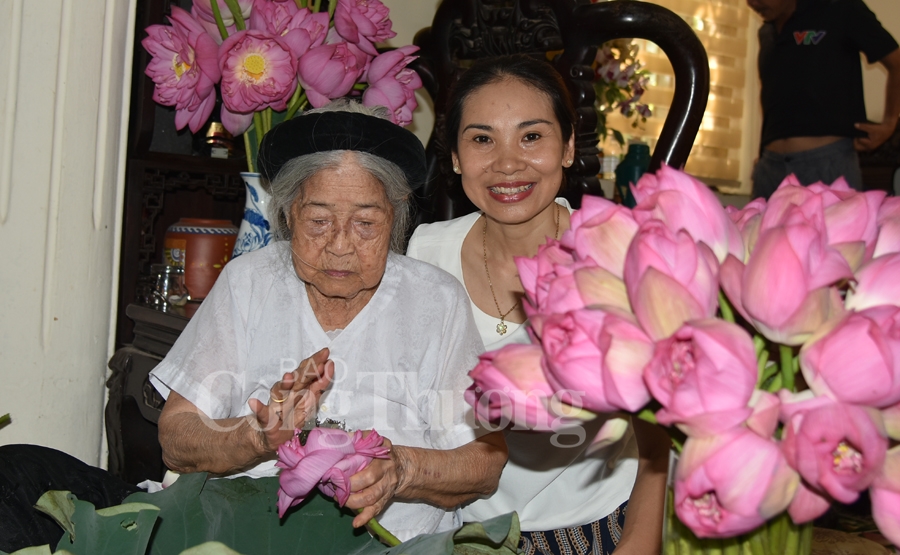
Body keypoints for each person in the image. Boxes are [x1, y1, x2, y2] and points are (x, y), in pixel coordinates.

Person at [147, 100, 508, 543]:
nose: (339, 245)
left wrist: (401, 469)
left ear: (396, 215)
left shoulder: (435, 300)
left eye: (365, 223)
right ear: (288, 213)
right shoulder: (250, 282)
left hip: (393, 545)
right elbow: (177, 436)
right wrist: (255, 437)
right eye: (318, 221)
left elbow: (485, 461)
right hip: (248, 537)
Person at [406, 54, 669, 555]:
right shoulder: (425, 254)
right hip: (459, 532)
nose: (507, 164)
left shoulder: (616, 254)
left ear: (568, 147)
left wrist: (638, 542)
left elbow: (659, 432)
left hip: (595, 530)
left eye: (531, 136)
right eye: (482, 139)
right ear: (456, 157)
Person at [747, 0, 900, 199]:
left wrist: (890, 123)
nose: (752, 3)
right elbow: (772, 98)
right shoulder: (767, 32)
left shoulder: (840, 8)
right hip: (770, 169)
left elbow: (897, 63)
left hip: (827, 165)